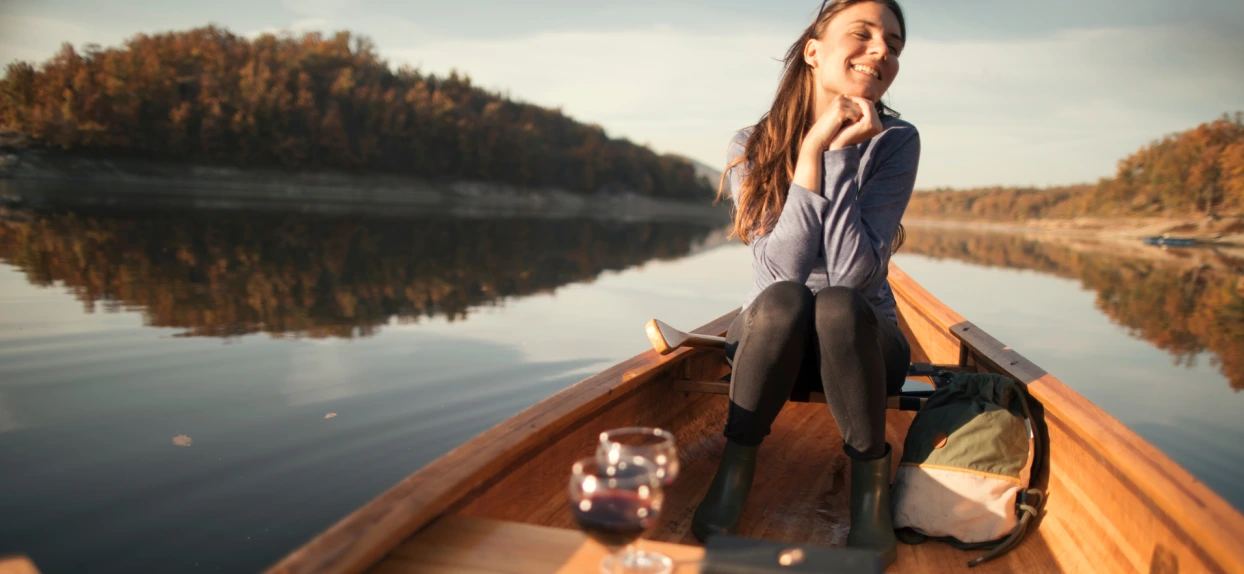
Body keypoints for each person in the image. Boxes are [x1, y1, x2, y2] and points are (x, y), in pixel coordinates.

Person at [690, 0, 918, 567]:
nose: (880, 51)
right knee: (787, 299)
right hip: (773, 341)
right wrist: (810, 149)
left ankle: (869, 491)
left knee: (838, 303)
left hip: (863, 345)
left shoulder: (896, 140)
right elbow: (781, 275)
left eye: (892, 43)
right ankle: (734, 470)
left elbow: (852, 275)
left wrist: (838, 155)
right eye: (862, 35)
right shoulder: (753, 142)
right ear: (813, 52)